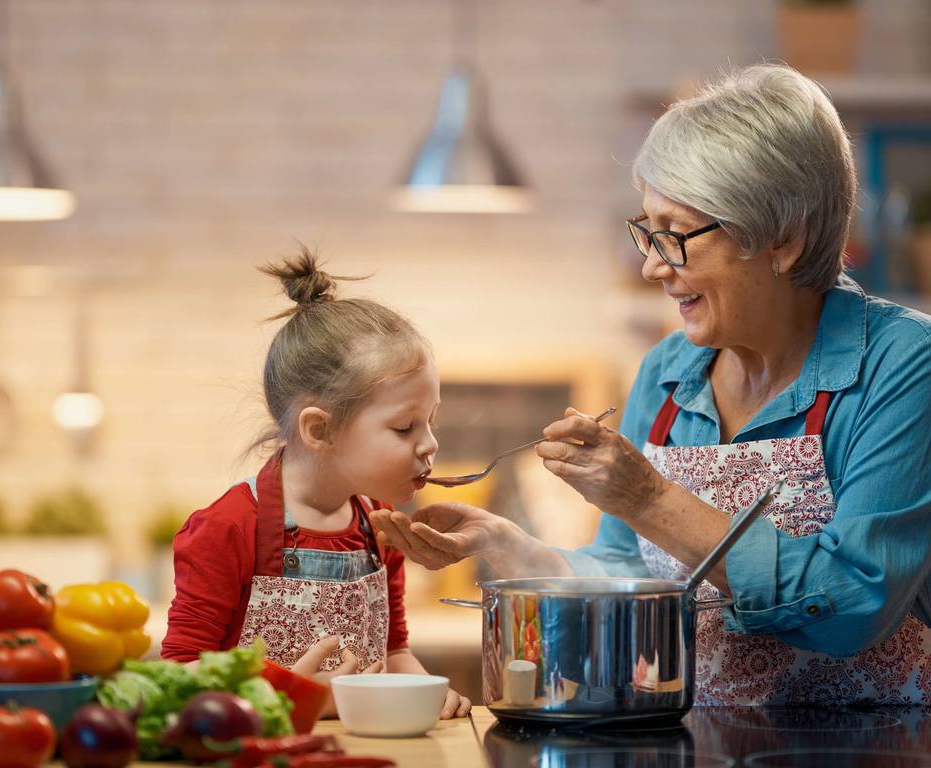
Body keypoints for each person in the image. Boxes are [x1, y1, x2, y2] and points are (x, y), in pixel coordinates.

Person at [371, 64, 931, 706]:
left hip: (875, 746)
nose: (650, 264)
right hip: (700, 740)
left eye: (675, 234)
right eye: (646, 229)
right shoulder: (667, 373)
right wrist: (506, 544)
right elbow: (626, 575)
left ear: (784, 238)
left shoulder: (903, 364)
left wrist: (652, 500)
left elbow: (855, 604)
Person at [162, 247, 471, 719]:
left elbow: (393, 653)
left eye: (430, 421)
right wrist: (288, 696)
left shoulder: (380, 528)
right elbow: (179, 679)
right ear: (320, 430)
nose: (429, 444)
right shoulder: (227, 529)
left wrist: (426, 690)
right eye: (405, 427)